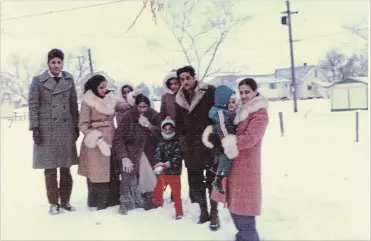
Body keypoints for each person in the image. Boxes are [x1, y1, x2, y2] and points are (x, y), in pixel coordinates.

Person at [211, 78, 269, 241]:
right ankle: (242, 236)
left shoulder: (259, 112)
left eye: (247, 92)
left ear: (255, 91)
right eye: (241, 92)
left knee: (245, 209)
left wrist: (227, 142)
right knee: (234, 204)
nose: (243, 96)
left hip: (246, 166)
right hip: (233, 163)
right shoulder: (239, 110)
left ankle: (249, 237)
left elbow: (250, 138)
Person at [28, 48, 79, 215]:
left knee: (66, 168)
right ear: (48, 63)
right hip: (46, 129)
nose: (56, 65)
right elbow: (33, 105)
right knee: (50, 169)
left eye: (59, 62)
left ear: (62, 63)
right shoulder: (38, 81)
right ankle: (53, 203)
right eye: (53, 62)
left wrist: (76, 126)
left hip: (65, 129)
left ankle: (65, 201)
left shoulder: (69, 80)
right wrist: (35, 127)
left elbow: (73, 105)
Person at [174, 65, 220, 231]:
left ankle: (214, 213)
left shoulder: (209, 91)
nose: (185, 82)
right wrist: (182, 141)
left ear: (194, 78)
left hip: (208, 144)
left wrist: (215, 137)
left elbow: (219, 115)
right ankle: (203, 211)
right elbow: (178, 122)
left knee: (211, 180)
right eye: (182, 79)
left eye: (188, 78)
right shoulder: (178, 98)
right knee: (195, 181)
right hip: (190, 147)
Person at [78, 74, 131, 210]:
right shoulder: (87, 101)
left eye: (105, 87)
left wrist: (132, 98)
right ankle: (97, 202)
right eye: (101, 87)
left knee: (111, 170)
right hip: (95, 143)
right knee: (97, 172)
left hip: (111, 138)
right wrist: (97, 139)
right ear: (94, 88)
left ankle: (112, 200)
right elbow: (83, 124)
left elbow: (124, 106)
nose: (104, 90)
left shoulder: (110, 99)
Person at [113, 94, 160, 215]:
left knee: (149, 180)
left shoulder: (154, 115)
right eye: (139, 107)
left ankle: (150, 200)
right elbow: (118, 138)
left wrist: (149, 126)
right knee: (128, 177)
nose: (142, 110)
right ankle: (127, 202)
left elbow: (163, 134)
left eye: (145, 107)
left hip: (150, 153)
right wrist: (123, 157)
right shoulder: (128, 117)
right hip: (131, 152)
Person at [202, 85, 238, 194]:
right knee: (226, 159)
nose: (234, 105)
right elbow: (223, 128)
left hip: (221, 141)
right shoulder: (222, 114)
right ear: (224, 103)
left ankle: (215, 168)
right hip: (224, 141)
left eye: (234, 102)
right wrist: (226, 143)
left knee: (220, 158)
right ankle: (218, 180)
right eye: (231, 102)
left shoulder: (225, 112)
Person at [152, 117, 183, 220]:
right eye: (166, 129)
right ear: (162, 130)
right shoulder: (161, 142)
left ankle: (179, 212)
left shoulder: (176, 142)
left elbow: (177, 156)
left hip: (174, 173)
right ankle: (156, 206)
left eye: (170, 129)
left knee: (176, 194)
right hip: (163, 173)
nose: (168, 131)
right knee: (158, 190)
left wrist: (169, 163)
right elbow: (157, 155)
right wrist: (159, 164)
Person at [159, 69, 181, 203]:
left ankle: (180, 190)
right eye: (171, 84)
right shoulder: (165, 97)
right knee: (171, 163)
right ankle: (172, 191)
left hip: (183, 133)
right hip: (170, 132)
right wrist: (164, 128)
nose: (173, 86)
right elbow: (162, 113)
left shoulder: (184, 94)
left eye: (175, 83)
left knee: (180, 163)